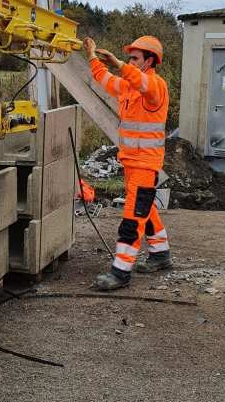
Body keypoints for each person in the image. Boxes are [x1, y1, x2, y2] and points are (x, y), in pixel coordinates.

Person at [84, 36, 173, 290]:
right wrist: (92, 57)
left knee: (133, 216)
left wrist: (120, 64)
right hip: (131, 162)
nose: (132, 62)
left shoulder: (156, 86)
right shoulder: (127, 87)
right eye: (130, 58)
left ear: (150, 61)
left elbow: (140, 81)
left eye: (136, 58)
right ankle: (160, 253)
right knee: (144, 209)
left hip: (146, 164)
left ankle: (121, 271)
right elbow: (105, 80)